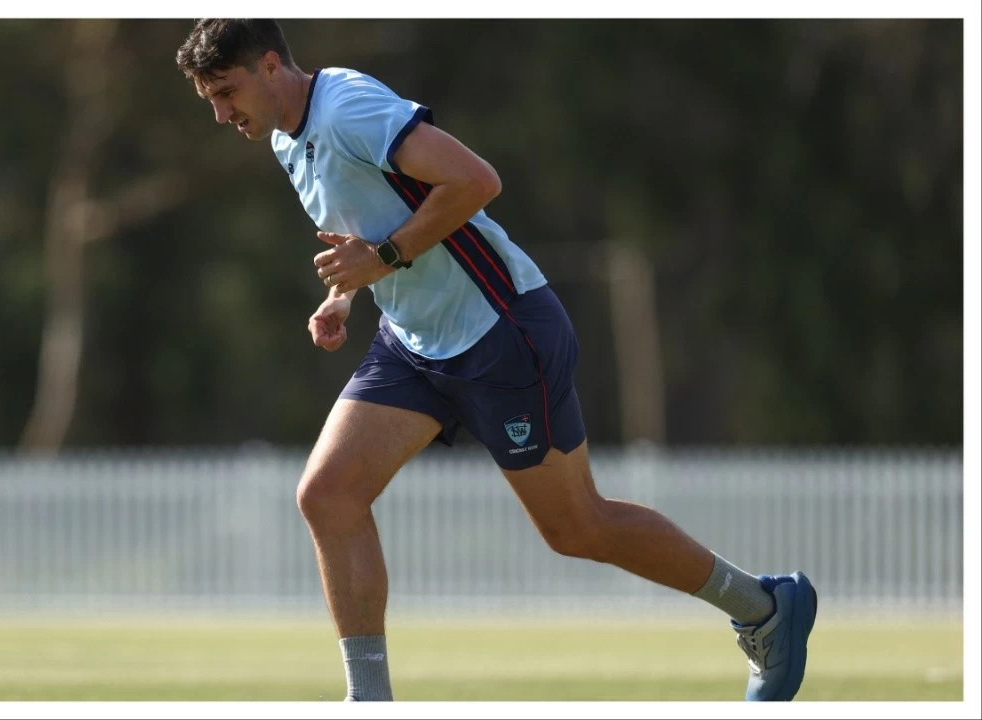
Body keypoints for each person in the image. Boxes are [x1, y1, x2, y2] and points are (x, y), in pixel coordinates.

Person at [175, 18, 816, 702]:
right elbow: (367, 231)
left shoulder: (350, 108)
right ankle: (369, 703)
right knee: (327, 496)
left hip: (502, 332)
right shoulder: (283, 136)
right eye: (208, 99)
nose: (219, 113)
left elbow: (476, 181)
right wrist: (344, 294)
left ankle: (764, 608)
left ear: (272, 67)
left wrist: (383, 260)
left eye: (226, 91)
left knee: (577, 527)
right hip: (414, 343)